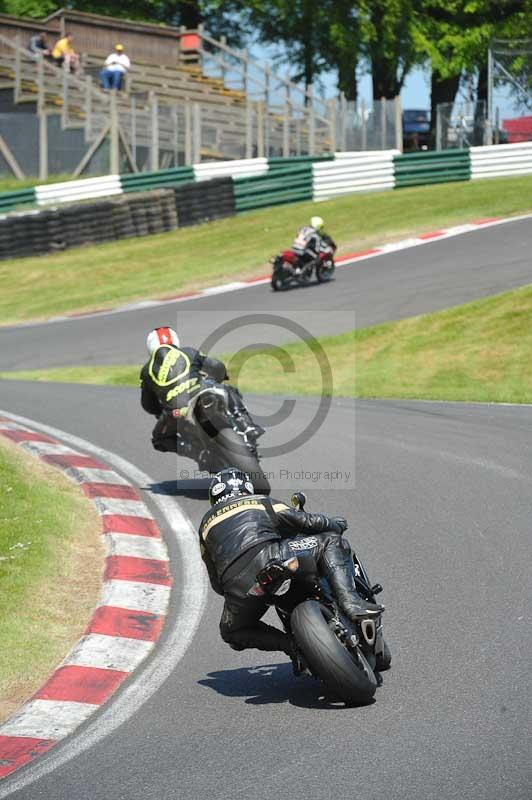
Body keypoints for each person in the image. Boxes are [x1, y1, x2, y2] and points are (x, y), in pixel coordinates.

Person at [199, 468, 384, 671]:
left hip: (238, 586)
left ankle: (292, 646)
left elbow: (216, 583)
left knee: (231, 631)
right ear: (247, 488)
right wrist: (335, 524)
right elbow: (308, 522)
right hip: (273, 556)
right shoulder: (259, 501)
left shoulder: (205, 527)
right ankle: (351, 603)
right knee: (330, 541)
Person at [140, 327, 263, 462]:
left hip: (176, 412)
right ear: (175, 340)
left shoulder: (146, 371)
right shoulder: (188, 352)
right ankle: (247, 425)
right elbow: (216, 366)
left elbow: (148, 405)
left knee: (159, 439)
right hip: (200, 394)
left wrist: (163, 409)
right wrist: (221, 376)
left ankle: (198, 454)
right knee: (227, 389)